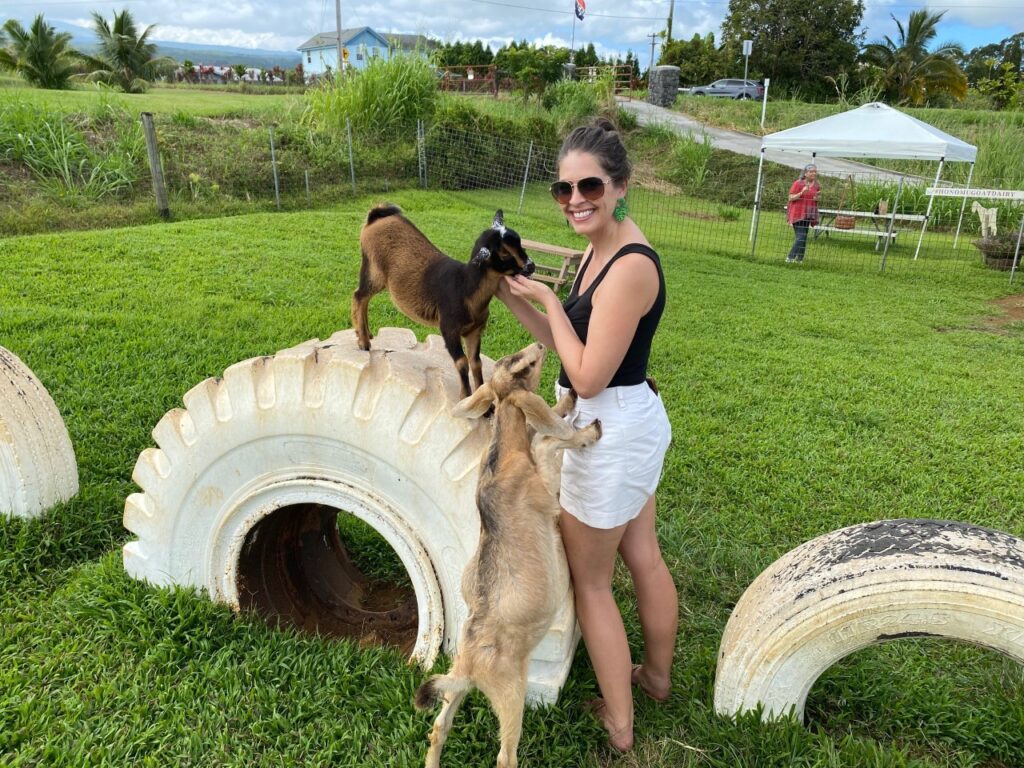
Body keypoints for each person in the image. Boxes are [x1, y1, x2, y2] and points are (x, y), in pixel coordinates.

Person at [494, 118, 677, 752]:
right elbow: (565, 344)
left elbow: (589, 374)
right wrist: (511, 292)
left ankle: (621, 726)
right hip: (626, 423)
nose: (575, 200)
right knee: (641, 554)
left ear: (621, 186)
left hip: (610, 429)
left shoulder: (628, 266)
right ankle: (654, 679)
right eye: (563, 189)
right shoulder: (600, 249)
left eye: (590, 186)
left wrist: (546, 300)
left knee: (595, 581)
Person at [786, 163, 820, 263]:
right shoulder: (798, 183)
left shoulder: (817, 185)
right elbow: (790, 197)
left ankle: (799, 259)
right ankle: (790, 257)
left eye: (815, 171)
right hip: (798, 212)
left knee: (803, 236)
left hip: (809, 213)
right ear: (805, 173)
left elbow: (816, 199)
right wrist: (801, 193)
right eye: (811, 171)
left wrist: (817, 198)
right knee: (802, 236)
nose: (814, 173)